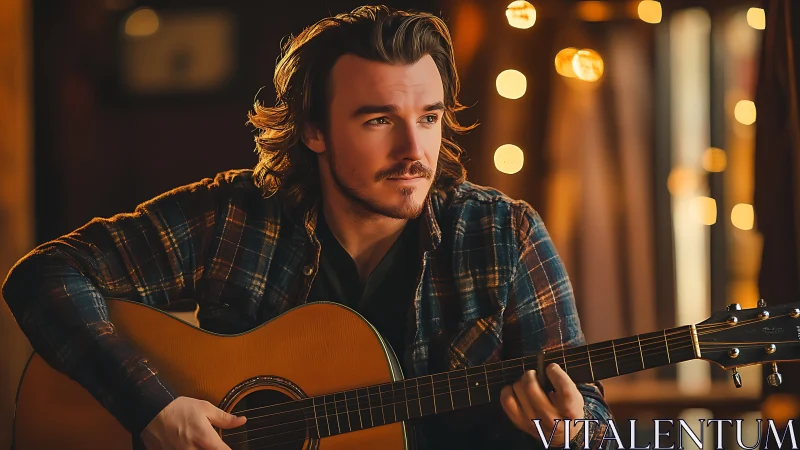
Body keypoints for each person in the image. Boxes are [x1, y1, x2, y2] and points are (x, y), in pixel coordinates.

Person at [2, 5, 615, 450]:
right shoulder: (236, 217)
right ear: (313, 131)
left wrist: (574, 432)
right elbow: (43, 275)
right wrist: (150, 408)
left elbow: (591, 423)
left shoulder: (503, 236)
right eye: (379, 120)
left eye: (428, 117)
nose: (414, 149)